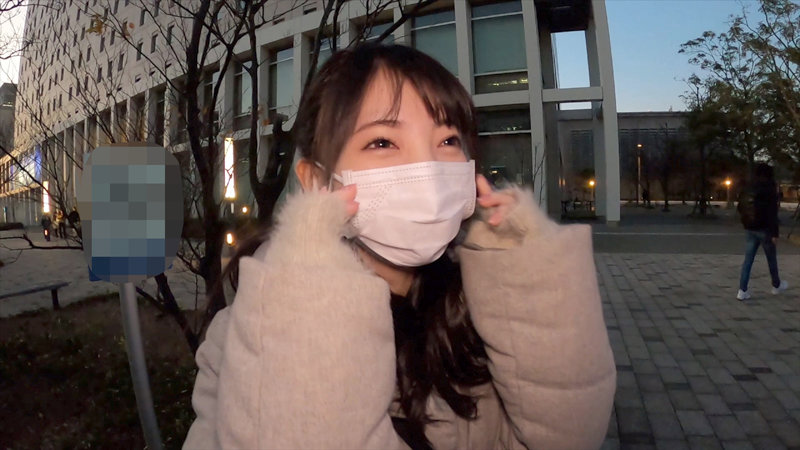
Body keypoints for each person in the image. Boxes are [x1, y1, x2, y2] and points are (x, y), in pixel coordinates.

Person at [183, 44, 616, 449]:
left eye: (448, 141)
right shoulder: (246, 335)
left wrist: (529, 279)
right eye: (383, 142)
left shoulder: (489, 310)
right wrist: (308, 294)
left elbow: (565, 434)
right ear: (316, 181)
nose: (427, 166)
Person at [737, 162, 789, 300]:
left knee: (748, 260)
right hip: (765, 229)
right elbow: (772, 213)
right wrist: (775, 233)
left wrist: (745, 221)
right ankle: (776, 285)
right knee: (771, 259)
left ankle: (742, 290)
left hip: (750, 228)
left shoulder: (748, 187)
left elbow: (740, 206)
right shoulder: (769, 188)